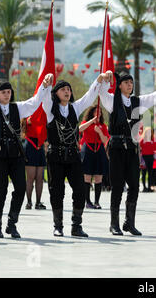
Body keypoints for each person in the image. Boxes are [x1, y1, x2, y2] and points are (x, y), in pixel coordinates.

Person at [99, 70, 156, 236]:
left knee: (134, 186)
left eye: (131, 82)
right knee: (117, 186)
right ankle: (114, 224)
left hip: (132, 148)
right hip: (116, 147)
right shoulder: (111, 101)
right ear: (119, 85)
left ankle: (129, 222)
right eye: (126, 82)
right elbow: (100, 90)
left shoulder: (138, 101)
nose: (130, 84)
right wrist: (104, 78)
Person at [0, 75, 52, 238]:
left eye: (9, 92)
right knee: (0, 190)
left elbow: (34, 103)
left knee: (20, 188)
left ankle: (12, 224)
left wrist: (44, 86)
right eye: (3, 92)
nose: (7, 95)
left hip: (15, 155)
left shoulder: (17, 108)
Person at [42, 72, 110, 237]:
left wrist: (98, 80)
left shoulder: (75, 107)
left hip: (73, 155)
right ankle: (58, 226)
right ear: (56, 93)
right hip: (55, 155)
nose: (67, 92)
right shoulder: (50, 109)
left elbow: (89, 96)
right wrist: (46, 85)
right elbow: (43, 98)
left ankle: (76, 225)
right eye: (63, 89)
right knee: (56, 191)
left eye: (69, 89)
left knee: (80, 189)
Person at [79, 104, 110, 209]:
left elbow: (105, 140)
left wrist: (100, 132)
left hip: (99, 150)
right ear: (91, 113)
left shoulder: (103, 126)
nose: (98, 114)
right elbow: (80, 129)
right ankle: (87, 201)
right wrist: (92, 121)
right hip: (88, 149)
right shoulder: (87, 123)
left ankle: (97, 201)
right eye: (96, 112)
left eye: (100, 112)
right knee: (87, 176)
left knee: (98, 177)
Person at [22, 116, 47, 210]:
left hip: (39, 145)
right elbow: (28, 121)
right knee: (30, 178)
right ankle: (29, 201)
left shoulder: (41, 115)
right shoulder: (29, 115)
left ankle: (38, 202)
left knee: (40, 178)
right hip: (31, 145)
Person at [140, 127, 156, 192]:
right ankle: (144, 187)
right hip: (144, 158)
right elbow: (139, 147)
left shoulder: (152, 139)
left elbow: (155, 147)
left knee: (150, 173)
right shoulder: (142, 140)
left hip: (151, 157)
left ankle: (149, 187)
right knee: (143, 173)